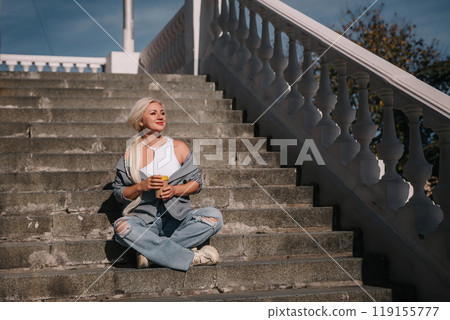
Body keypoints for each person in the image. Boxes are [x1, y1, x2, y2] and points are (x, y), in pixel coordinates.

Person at [111, 97, 223, 272]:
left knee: (214, 216)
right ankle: (195, 257)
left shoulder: (179, 147)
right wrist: (142, 186)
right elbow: (119, 194)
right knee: (122, 227)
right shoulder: (130, 154)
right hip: (145, 222)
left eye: (162, 113)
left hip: (179, 221)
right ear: (140, 121)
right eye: (153, 113)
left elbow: (196, 183)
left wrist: (174, 190)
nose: (160, 116)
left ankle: (150, 253)